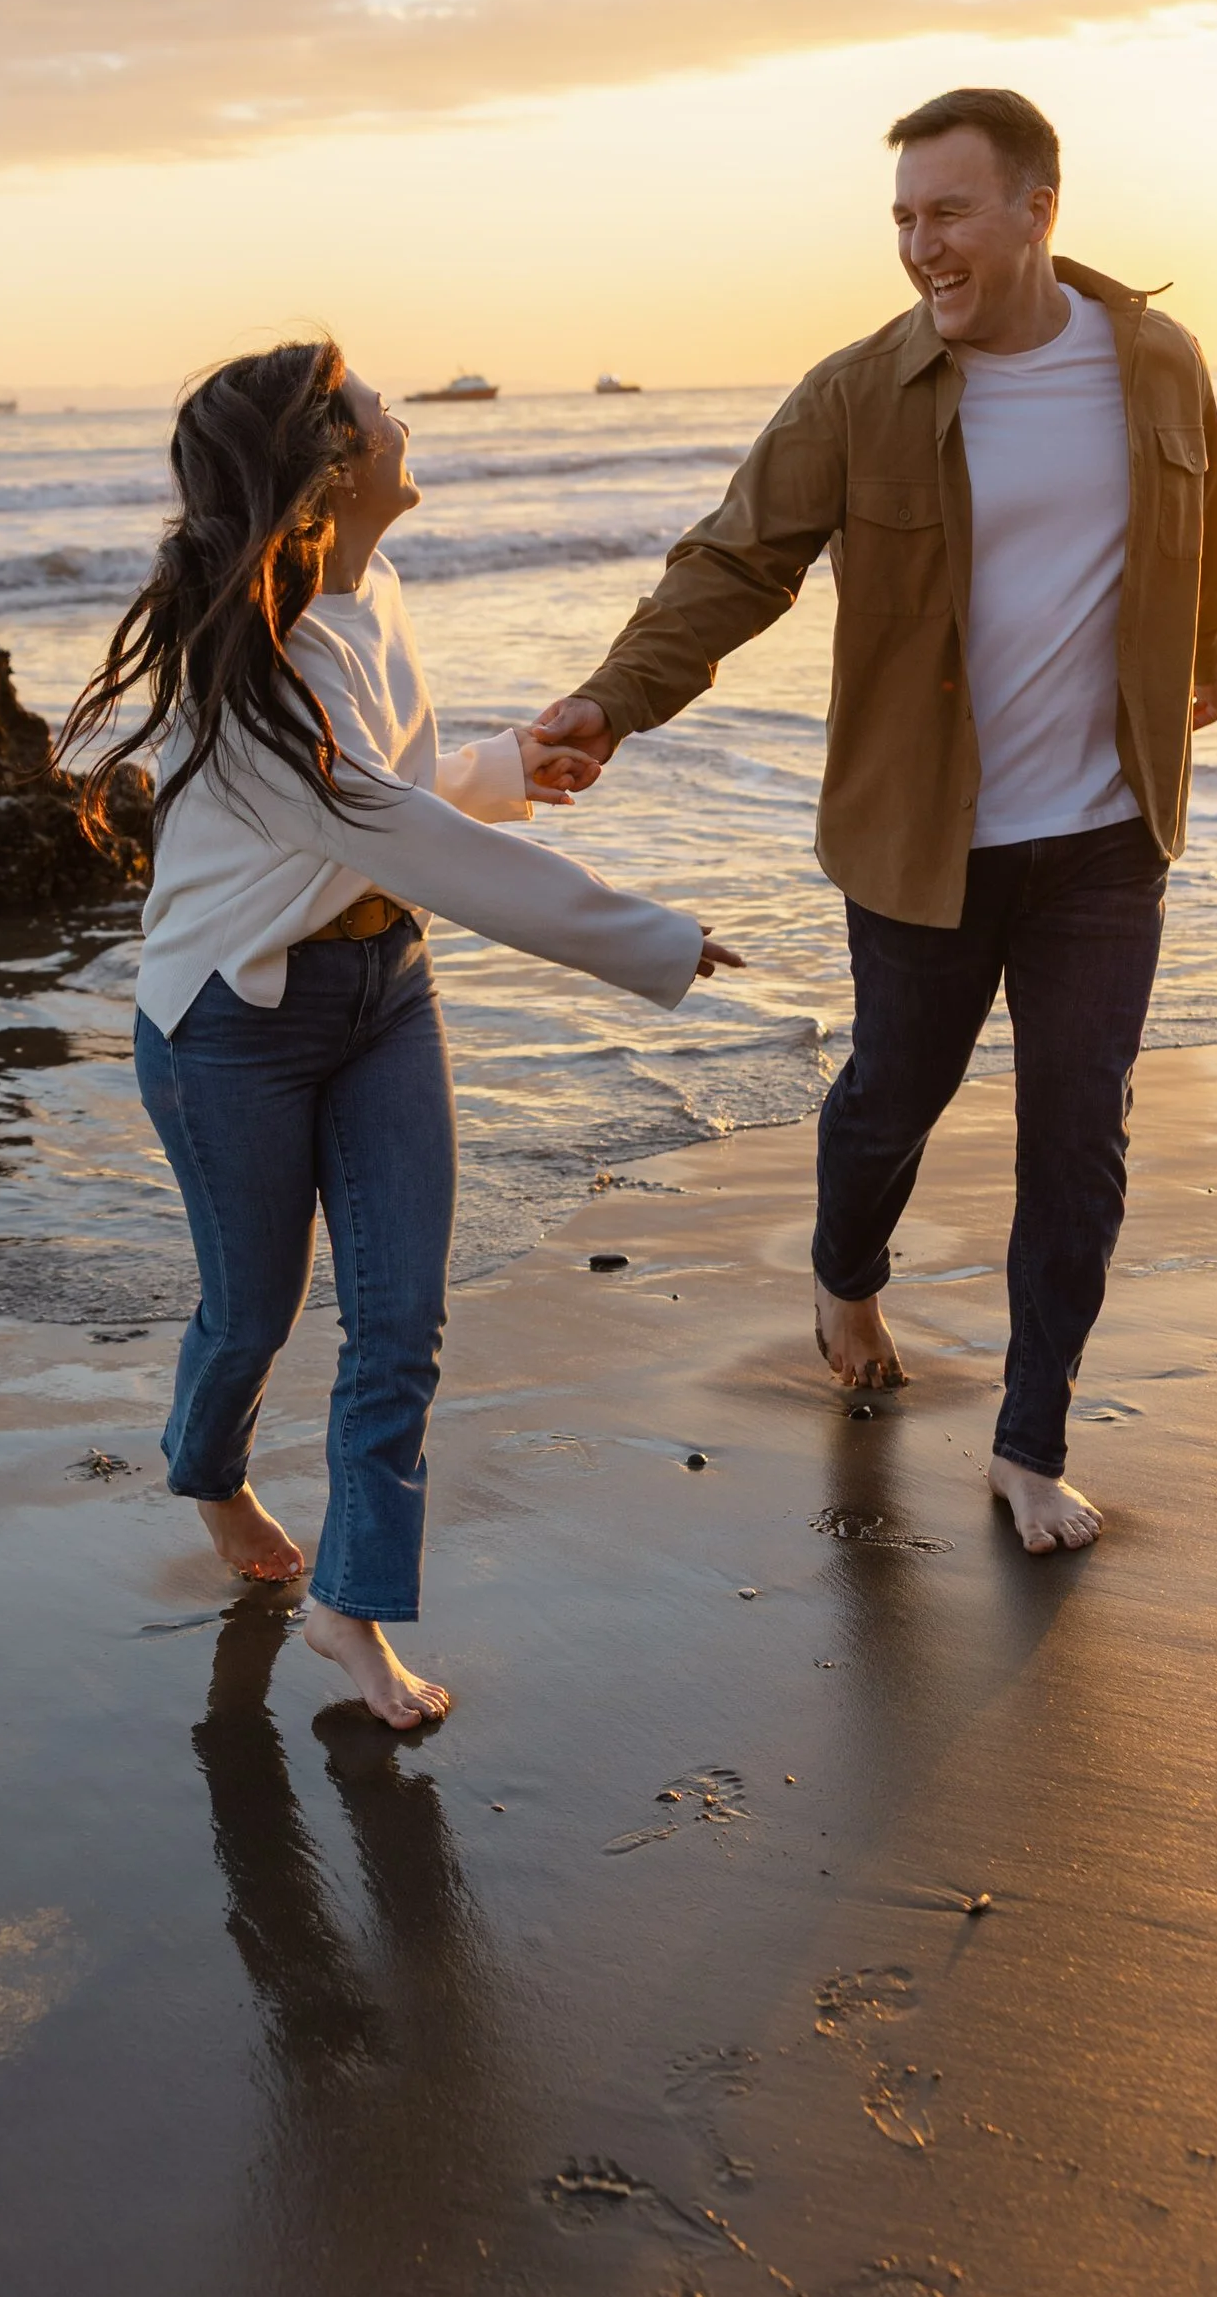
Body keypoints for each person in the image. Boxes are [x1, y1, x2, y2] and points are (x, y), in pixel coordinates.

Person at [535, 87, 1217, 1558]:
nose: (922, 245)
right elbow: (736, 560)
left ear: (1039, 208)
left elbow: (1194, 527)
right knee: (889, 1099)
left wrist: (1208, 664)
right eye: (905, 218)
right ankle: (844, 1270)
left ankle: (1032, 1441)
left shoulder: (1157, 363)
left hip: (1107, 836)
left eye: (949, 212)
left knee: (1080, 1133)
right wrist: (615, 701)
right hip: (925, 835)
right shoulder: (859, 394)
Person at [59, 340, 737, 1729]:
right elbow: (393, 829)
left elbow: (394, 788)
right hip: (227, 1025)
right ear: (326, 467)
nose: (404, 414)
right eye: (377, 406)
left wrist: (502, 768)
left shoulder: (367, 592)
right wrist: (647, 937)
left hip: (382, 995)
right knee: (254, 1308)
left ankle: (351, 1608)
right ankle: (208, 1467)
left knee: (399, 1320)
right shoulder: (256, 667)